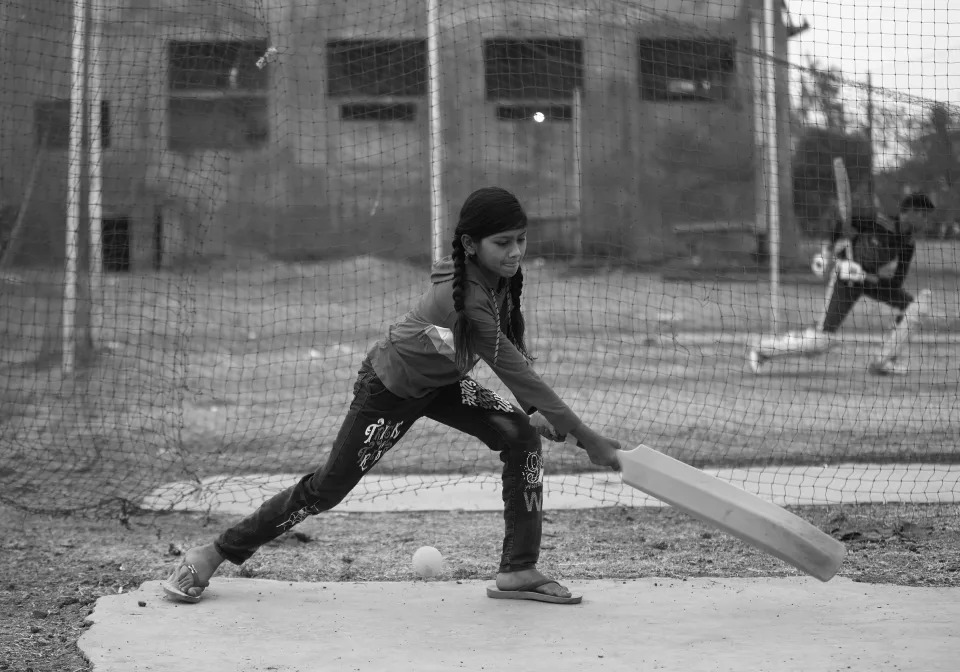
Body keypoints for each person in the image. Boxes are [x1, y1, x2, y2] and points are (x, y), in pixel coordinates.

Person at [163, 186, 622, 606]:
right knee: (326, 490)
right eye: (503, 242)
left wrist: (537, 412)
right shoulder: (466, 300)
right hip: (388, 390)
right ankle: (214, 552)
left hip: (441, 386)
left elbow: (513, 355)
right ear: (470, 245)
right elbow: (517, 371)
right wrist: (587, 438)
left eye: (520, 239)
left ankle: (519, 569)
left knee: (521, 434)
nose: (516, 251)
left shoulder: (496, 281)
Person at [748, 192, 935, 376]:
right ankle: (762, 350)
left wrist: (868, 277)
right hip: (846, 279)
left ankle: (884, 361)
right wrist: (827, 253)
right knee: (820, 342)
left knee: (916, 307)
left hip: (868, 281)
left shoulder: (908, 244)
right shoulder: (879, 222)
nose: (927, 222)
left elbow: (896, 283)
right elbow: (841, 225)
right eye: (925, 216)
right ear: (911, 212)